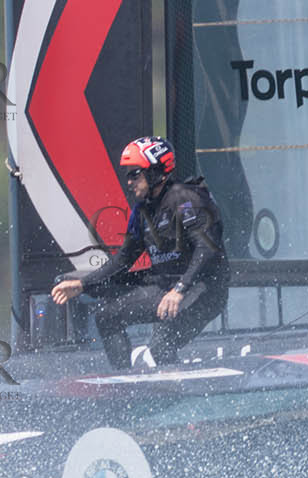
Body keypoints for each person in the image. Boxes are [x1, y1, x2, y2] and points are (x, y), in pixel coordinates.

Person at [51, 137, 228, 370]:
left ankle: (181, 387)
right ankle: (126, 381)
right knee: (107, 317)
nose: (129, 181)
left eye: (135, 174)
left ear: (155, 172)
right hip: (166, 288)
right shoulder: (142, 211)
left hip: (203, 289)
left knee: (161, 348)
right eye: (128, 175)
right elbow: (123, 260)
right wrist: (83, 285)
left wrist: (179, 289)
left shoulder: (187, 198)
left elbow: (208, 249)